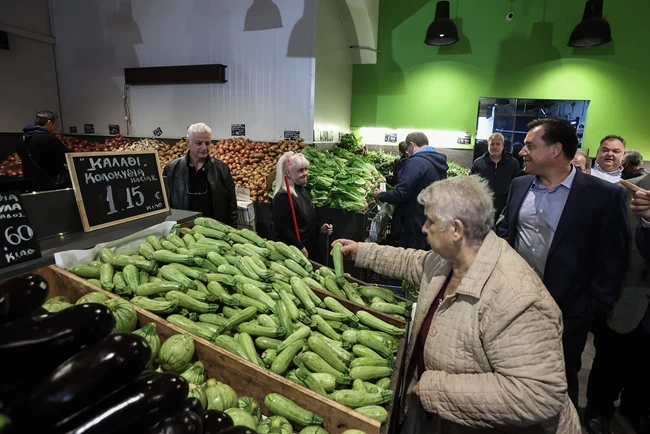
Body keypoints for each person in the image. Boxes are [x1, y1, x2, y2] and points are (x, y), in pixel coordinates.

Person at [334, 176, 580, 433]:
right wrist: (361, 251)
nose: (423, 228)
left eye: (430, 221)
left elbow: (537, 394)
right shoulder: (451, 259)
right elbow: (414, 263)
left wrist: (434, 388)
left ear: (457, 229)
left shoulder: (517, 298)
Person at [497, 118, 628, 408]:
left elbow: (613, 258)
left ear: (555, 149)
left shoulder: (603, 196)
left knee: (560, 378)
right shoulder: (519, 186)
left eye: (530, 145)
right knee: (513, 371)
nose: (522, 152)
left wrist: (592, 307)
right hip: (516, 303)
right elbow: (507, 232)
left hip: (569, 311)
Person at [584, 177, 650, 434]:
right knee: (611, 363)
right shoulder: (622, 192)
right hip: (624, 299)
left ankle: (636, 408)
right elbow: (603, 246)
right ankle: (598, 411)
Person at [374, 132, 448, 250]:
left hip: (414, 222)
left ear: (412, 145)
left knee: (410, 258)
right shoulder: (437, 161)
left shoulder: (415, 162)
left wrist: (381, 194)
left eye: (408, 148)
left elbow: (402, 193)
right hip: (429, 217)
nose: (407, 152)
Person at [163, 123, 237, 226]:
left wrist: (232, 229)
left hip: (214, 230)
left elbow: (231, 205)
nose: (204, 148)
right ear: (188, 142)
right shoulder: (171, 169)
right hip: (184, 230)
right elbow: (165, 205)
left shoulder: (222, 169)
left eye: (207, 143)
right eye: (199, 143)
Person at [271, 151, 333, 259]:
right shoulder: (283, 197)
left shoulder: (301, 189)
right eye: (300, 170)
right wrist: (300, 247)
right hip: (296, 254)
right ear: (288, 173)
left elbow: (306, 218)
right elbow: (281, 228)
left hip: (310, 248)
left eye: (305, 169)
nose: (305, 173)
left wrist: (320, 227)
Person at [470, 132, 520, 221]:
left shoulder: (513, 163)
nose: (495, 147)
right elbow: (471, 185)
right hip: (483, 208)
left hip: (505, 208)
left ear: (503, 145)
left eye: (498, 144)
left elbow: (517, 186)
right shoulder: (478, 163)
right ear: (488, 145)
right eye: (492, 144)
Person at [17, 110, 71, 191]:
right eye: (55, 125)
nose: (56, 128)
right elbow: (67, 157)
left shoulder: (23, 139)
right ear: (49, 122)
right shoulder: (48, 139)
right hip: (50, 185)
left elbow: (21, 154)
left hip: (31, 184)